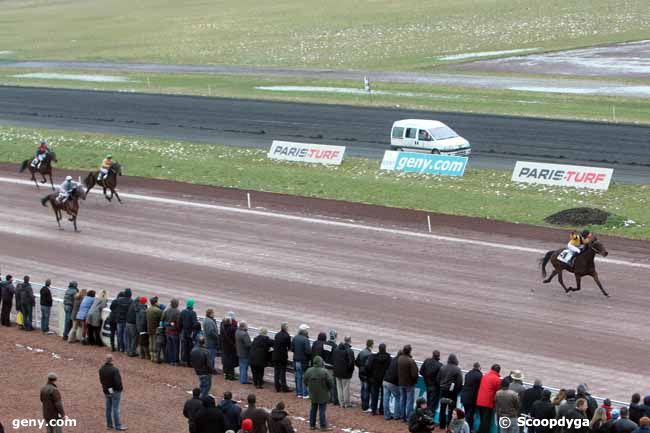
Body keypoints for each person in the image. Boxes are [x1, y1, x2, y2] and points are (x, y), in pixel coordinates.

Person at [303, 356, 334, 431]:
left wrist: (310, 386)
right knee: (322, 410)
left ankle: (312, 425)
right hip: (323, 393)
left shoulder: (309, 370)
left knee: (313, 409)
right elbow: (331, 383)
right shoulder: (324, 371)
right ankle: (323, 426)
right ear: (321, 362)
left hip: (313, 393)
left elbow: (305, 380)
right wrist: (329, 389)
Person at [99, 354, 127, 431]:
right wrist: (119, 389)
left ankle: (109, 425)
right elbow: (117, 382)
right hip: (115, 391)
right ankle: (118, 425)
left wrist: (107, 389)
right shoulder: (114, 370)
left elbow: (102, 381)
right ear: (111, 360)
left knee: (108, 408)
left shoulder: (101, 369)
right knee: (115, 409)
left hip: (106, 391)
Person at [438, 353, 463, 429]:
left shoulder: (442, 367)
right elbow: (459, 382)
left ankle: (441, 425)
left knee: (442, 408)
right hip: (452, 393)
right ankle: (449, 425)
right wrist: (456, 391)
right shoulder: (457, 369)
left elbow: (438, 379)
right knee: (452, 409)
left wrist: (441, 386)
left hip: (443, 390)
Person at [366, 343, 391, 416]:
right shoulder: (388, 357)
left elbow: (369, 367)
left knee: (375, 395)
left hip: (375, 379)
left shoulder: (374, 357)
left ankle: (373, 410)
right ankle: (381, 410)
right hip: (384, 378)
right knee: (384, 395)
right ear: (385, 348)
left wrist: (370, 376)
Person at [476, 364, 502, 433]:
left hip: (479, 401)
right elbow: (498, 392)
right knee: (486, 422)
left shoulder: (485, 376)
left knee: (482, 421)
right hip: (488, 403)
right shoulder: (497, 379)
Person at [332, 336, 355, 409]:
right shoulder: (350, 351)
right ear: (349, 341)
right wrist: (350, 371)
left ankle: (341, 403)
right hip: (345, 373)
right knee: (345, 388)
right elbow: (351, 363)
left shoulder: (336, 349)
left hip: (337, 372)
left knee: (339, 388)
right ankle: (346, 403)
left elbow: (334, 360)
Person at [398, 344, 419, 422]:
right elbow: (414, 374)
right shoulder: (410, 361)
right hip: (409, 384)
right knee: (409, 402)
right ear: (410, 351)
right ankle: (408, 418)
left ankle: (402, 417)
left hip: (401, 383)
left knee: (402, 400)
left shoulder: (400, 358)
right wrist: (414, 381)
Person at [420, 350, 443, 417]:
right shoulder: (439, 365)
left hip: (427, 385)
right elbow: (440, 378)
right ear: (438, 356)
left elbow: (421, 372)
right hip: (435, 387)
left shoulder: (427, 361)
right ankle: (429, 418)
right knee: (432, 404)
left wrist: (426, 379)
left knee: (429, 402)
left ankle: (426, 417)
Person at [461, 362, 483, 432]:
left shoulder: (468, 373)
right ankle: (468, 430)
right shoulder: (479, 375)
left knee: (467, 414)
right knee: (469, 416)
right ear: (479, 368)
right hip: (471, 399)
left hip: (464, 397)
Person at [291, 324, 311, 398]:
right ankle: (304, 393)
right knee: (304, 377)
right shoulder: (306, 340)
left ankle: (299, 393)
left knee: (298, 377)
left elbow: (292, 348)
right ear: (304, 331)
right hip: (303, 361)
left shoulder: (295, 338)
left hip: (296, 360)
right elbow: (308, 351)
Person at [272, 322, 291, 393]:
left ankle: (277, 387)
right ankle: (284, 387)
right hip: (282, 356)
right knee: (282, 372)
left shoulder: (277, 335)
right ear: (285, 328)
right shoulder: (287, 336)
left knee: (276, 371)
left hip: (275, 355)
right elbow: (289, 347)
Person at [162, 298, 181, 365]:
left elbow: (163, 319)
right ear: (176, 304)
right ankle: (174, 361)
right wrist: (179, 330)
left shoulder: (167, 311)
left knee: (169, 346)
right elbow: (178, 323)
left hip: (167, 331)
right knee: (175, 347)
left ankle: (169, 360)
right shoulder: (178, 312)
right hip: (174, 332)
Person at [383, 350, 401, 421]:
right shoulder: (399, 362)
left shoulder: (392, 359)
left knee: (386, 399)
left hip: (385, 380)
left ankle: (386, 415)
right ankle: (396, 415)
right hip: (392, 382)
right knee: (398, 398)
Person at [356, 339, 374, 412]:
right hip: (366, 375)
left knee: (363, 389)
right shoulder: (370, 354)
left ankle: (363, 404)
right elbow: (369, 366)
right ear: (371, 345)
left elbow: (356, 362)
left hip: (361, 374)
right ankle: (365, 407)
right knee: (366, 391)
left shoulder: (361, 352)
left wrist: (361, 368)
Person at [114, 289, 133, 353]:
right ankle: (126, 349)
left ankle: (121, 348)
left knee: (119, 335)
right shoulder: (131, 301)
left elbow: (114, 306)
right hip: (126, 320)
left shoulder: (119, 300)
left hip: (119, 320)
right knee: (126, 336)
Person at [180, 298, 199, 366]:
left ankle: (183, 360)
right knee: (190, 347)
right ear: (192, 305)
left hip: (183, 332)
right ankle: (189, 362)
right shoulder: (193, 313)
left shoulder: (183, 312)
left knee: (183, 347)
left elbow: (180, 322)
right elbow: (195, 324)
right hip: (190, 333)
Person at [323, 329, 339, 406]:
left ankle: (328, 398)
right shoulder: (335, 346)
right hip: (331, 367)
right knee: (332, 384)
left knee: (327, 383)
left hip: (325, 365)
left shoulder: (325, 344)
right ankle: (333, 399)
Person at [220, 316, 238, 380]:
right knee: (231, 362)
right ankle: (231, 376)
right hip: (231, 348)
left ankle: (225, 374)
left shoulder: (222, 328)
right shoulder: (233, 329)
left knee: (225, 362)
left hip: (224, 347)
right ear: (229, 321)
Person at [146, 297, 163, 362]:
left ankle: (152, 357)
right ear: (156, 302)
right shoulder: (158, 311)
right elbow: (161, 319)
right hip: (155, 329)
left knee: (151, 342)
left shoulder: (148, 309)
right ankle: (155, 357)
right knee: (155, 343)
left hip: (149, 328)